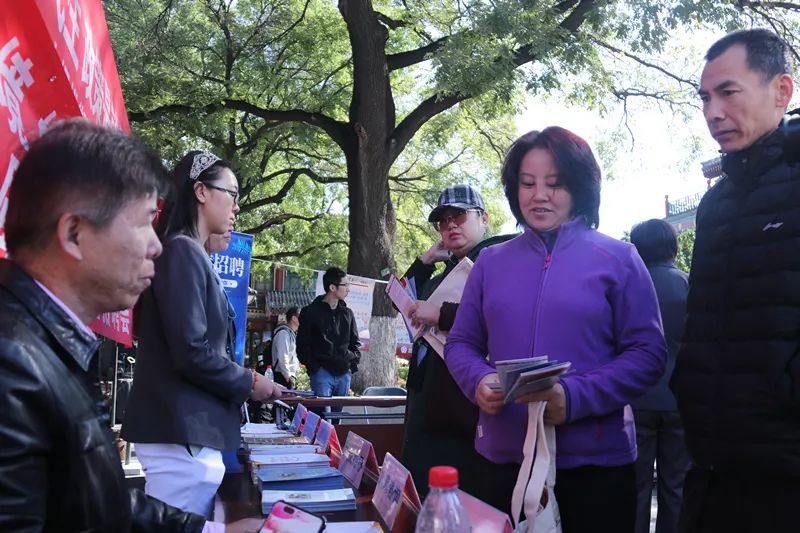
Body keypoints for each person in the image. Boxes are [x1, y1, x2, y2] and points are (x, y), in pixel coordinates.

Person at [0, 119, 262, 532]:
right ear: (74, 233)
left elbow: (106, 504)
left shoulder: (50, 351)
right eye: (142, 221)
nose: (156, 244)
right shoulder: (13, 366)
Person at [444, 126, 666, 533]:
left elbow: (647, 354)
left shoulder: (618, 259)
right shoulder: (490, 263)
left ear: (580, 188)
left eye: (555, 184)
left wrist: (575, 397)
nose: (539, 195)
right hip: (502, 459)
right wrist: (478, 380)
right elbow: (461, 343)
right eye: (527, 183)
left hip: (596, 464)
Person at [671, 29, 799, 533]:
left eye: (728, 92)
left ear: (781, 91)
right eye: (704, 97)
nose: (713, 111)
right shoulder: (716, 203)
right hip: (712, 466)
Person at [122, 150, 280, 518]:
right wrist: (249, 380)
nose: (236, 207)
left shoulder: (189, 253)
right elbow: (191, 350)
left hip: (186, 434)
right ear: (201, 192)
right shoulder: (181, 252)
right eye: (232, 193)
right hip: (180, 433)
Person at [400, 184, 513, 507]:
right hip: (427, 409)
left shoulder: (501, 262)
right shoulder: (442, 273)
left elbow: (504, 316)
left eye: (459, 216)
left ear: (484, 219)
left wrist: (443, 314)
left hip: (467, 417)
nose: (450, 225)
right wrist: (425, 260)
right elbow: (402, 300)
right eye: (443, 220)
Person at [629, 219, 690, 533]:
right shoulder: (688, 283)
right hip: (680, 398)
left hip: (637, 398)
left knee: (637, 487)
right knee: (676, 484)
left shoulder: (629, 287)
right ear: (673, 246)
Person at [296, 267, 360, 420]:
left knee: (336, 420)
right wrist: (315, 368)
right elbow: (302, 346)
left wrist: (351, 364)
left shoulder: (348, 313)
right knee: (323, 420)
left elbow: (355, 343)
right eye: (345, 285)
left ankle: (334, 445)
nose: (348, 289)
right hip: (321, 373)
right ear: (332, 287)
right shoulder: (310, 312)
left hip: (344, 373)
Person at [272, 306, 301, 389]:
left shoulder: (291, 334)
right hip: (282, 377)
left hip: (288, 376)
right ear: (294, 318)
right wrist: (288, 377)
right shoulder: (283, 333)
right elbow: (282, 357)